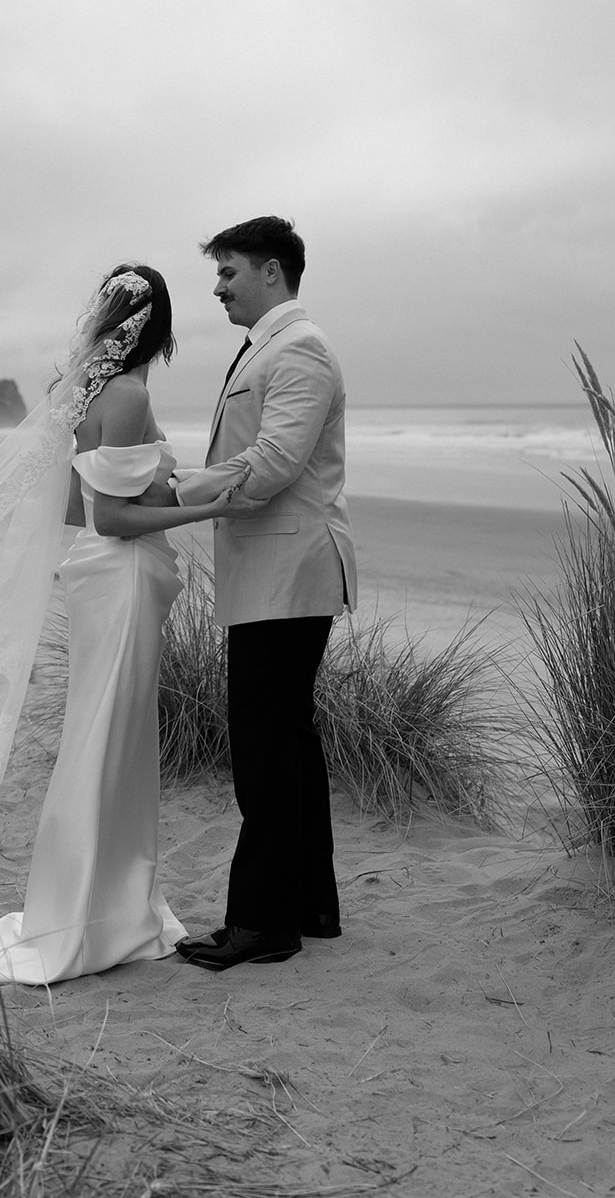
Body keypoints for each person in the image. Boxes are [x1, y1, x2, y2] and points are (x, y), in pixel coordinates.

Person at [0, 263, 252, 986]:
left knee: (108, 742)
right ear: (159, 327)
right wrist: (207, 509)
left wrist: (164, 488)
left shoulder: (91, 395)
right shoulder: (124, 394)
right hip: (119, 582)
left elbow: (73, 508)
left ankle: (108, 908)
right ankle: (95, 918)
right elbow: (113, 517)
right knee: (106, 747)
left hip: (105, 581)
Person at [145, 216, 357, 972]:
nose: (216, 286)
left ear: (271, 272)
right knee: (287, 744)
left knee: (265, 750)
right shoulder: (270, 346)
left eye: (228, 272)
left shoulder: (299, 348)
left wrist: (174, 489)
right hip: (273, 573)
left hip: (287, 574)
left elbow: (270, 466)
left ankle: (261, 924)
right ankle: (306, 907)